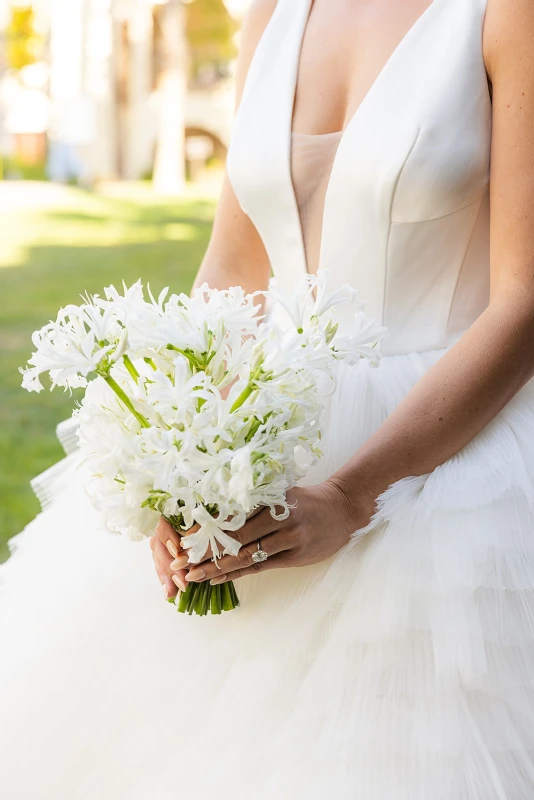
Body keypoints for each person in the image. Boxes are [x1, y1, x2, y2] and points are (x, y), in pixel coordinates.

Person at [2, 0, 534, 796]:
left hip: (445, 456)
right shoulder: (273, 14)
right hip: (262, 434)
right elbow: (233, 268)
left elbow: (523, 303)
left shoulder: (506, 14)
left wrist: (353, 493)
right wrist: (176, 460)